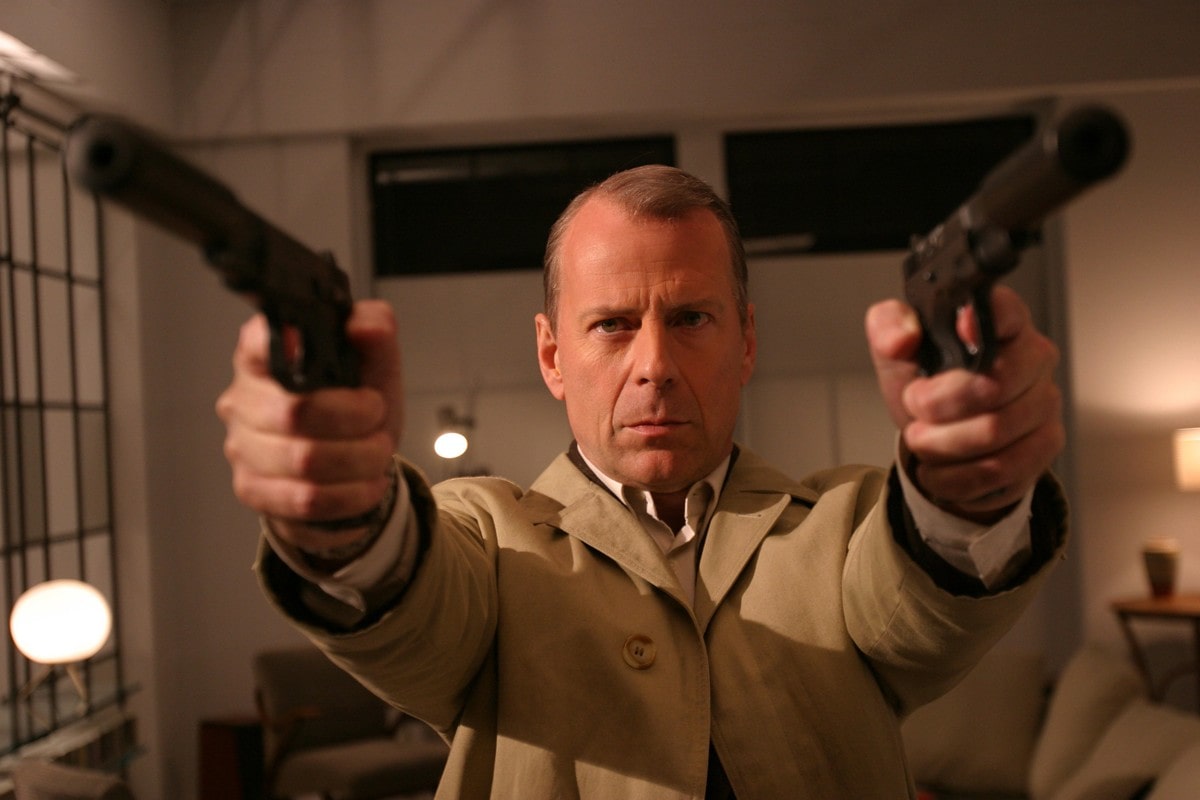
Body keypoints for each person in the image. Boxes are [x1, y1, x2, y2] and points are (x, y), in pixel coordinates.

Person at [217, 165, 1067, 799]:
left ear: (745, 341)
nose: (654, 364)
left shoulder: (845, 528)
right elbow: (416, 604)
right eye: (613, 325)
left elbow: (919, 604)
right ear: (553, 355)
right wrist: (347, 513)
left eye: (691, 318)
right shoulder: (483, 534)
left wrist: (968, 487)